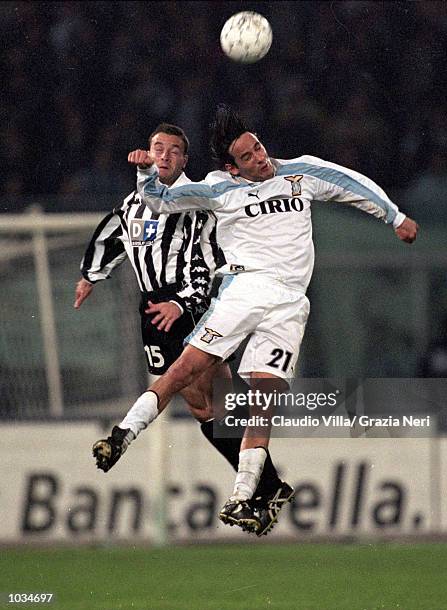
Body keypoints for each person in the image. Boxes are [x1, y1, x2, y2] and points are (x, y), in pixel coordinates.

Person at [93, 105, 418, 536]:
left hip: (289, 305)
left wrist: (393, 215)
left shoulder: (299, 172)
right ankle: (122, 435)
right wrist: (145, 174)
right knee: (187, 369)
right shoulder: (218, 189)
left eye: (259, 148)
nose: (260, 158)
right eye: (247, 157)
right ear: (232, 166)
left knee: (263, 400)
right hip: (243, 291)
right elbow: (160, 201)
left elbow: (349, 183)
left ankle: (243, 496)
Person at [85, 123, 286, 535]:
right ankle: (266, 487)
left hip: (187, 306)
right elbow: (112, 232)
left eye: (174, 151)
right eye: (158, 147)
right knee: (206, 408)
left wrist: (183, 302)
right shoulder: (133, 204)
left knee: (210, 402)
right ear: (148, 151)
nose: (164, 155)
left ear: (184, 160)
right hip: (153, 311)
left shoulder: (195, 202)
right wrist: (90, 274)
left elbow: (209, 261)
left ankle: (263, 489)